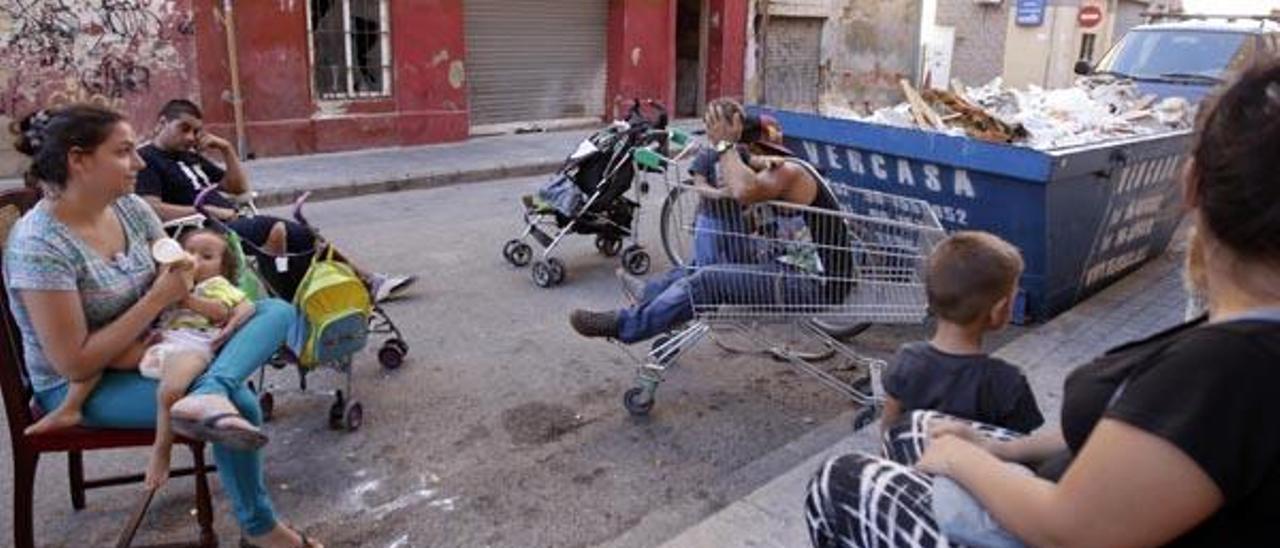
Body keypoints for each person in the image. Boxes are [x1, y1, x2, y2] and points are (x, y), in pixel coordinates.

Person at [805, 62, 1280, 548]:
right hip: (1077, 484)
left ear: (1191, 184)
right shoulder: (1243, 340)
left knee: (837, 480)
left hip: (1054, 524)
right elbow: (1152, 435)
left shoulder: (1231, 367)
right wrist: (994, 448)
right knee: (917, 429)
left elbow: (1072, 529)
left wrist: (962, 460)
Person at [5, 105, 321, 547]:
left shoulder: (130, 208)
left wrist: (199, 296)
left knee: (277, 312)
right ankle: (263, 530)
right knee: (242, 406)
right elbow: (73, 362)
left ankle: (210, 387)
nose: (138, 163)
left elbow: (177, 278)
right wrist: (159, 299)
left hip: (162, 345)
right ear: (79, 160)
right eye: (124, 152)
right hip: (81, 385)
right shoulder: (39, 245)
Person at [571, 98, 854, 343]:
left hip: (814, 282)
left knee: (709, 280)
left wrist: (724, 145)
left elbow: (743, 191)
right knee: (703, 265)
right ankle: (651, 293)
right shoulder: (775, 170)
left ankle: (626, 325)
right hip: (791, 263)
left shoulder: (787, 171)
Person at [135, 99, 415, 303]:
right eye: (184, 129)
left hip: (233, 221)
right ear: (161, 123)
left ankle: (349, 288)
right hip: (205, 233)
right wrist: (209, 210)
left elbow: (237, 188)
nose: (190, 137)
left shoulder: (190, 155)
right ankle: (305, 296)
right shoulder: (147, 159)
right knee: (285, 233)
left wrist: (227, 149)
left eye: (195, 131)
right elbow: (151, 208)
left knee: (303, 238)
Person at [879, 231, 1043, 436]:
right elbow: (1017, 446)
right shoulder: (1008, 382)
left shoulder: (906, 360)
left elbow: (888, 429)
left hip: (915, 465)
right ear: (998, 311)